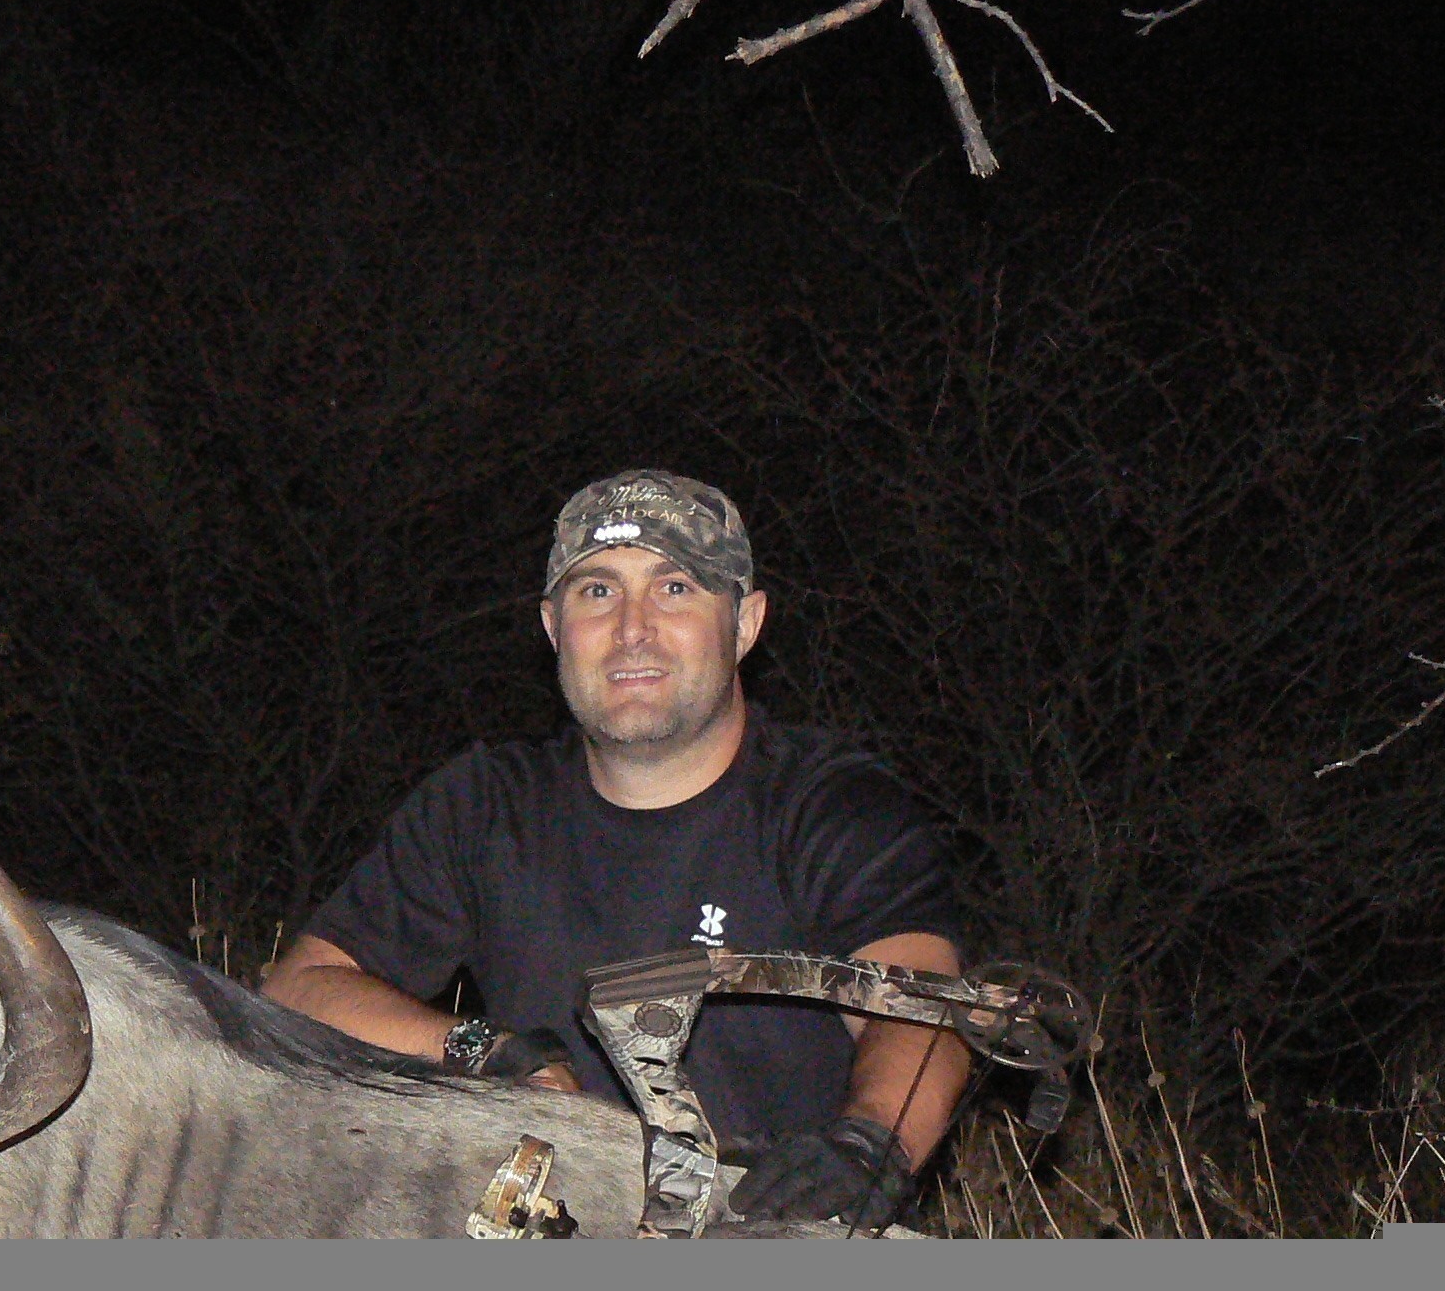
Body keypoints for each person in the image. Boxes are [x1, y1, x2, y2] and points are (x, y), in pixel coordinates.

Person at [262, 469, 971, 1230]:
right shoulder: (485, 804)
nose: (633, 629)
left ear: (745, 624)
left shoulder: (829, 803)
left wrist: (870, 1144)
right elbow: (300, 987)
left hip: (771, 1225)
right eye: (597, 592)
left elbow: (925, 1005)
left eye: (675, 589)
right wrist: (484, 1050)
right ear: (551, 627)